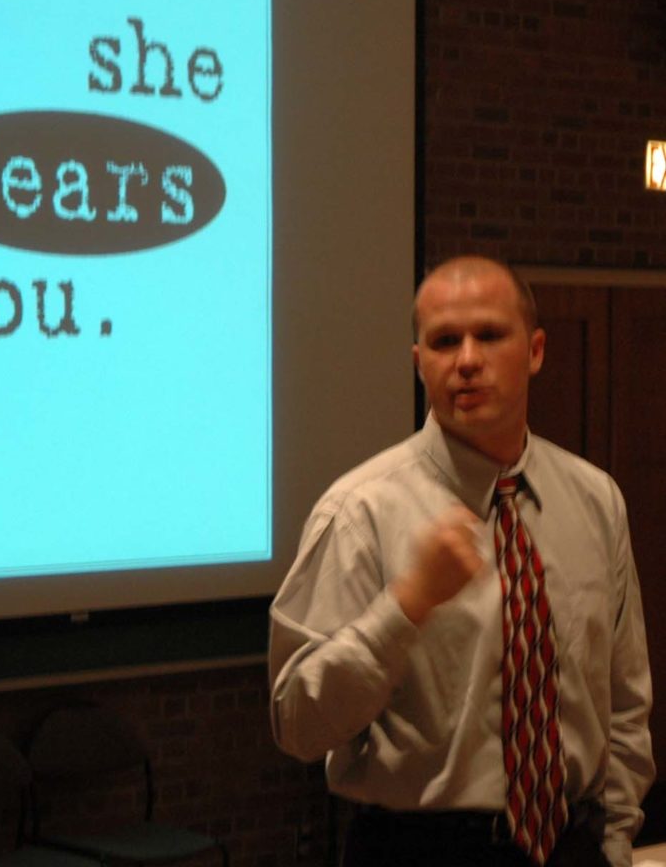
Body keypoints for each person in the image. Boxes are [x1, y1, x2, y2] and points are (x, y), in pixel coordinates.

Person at [269, 256, 654, 867]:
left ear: (534, 351)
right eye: (445, 342)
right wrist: (403, 606)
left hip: (573, 845)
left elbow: (624, 700)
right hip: (421, 848)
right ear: (420, 362)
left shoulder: (595, 500)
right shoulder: (359, 512)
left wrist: (612, 841)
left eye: (489, 336)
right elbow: (298, 723)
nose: (467, 360)